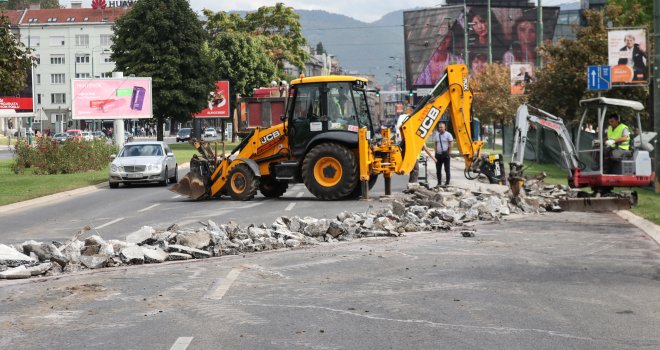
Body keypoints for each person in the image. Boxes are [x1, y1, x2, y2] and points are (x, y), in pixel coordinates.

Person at [427, 122, 454, 186]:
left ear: (445, 127)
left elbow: (451, 144)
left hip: (445, 154)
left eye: (442, 127)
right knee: (438, 170)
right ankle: (439, 183)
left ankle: (447, 183)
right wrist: (435, 153)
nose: (440, 128)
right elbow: (435, 144)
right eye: (439, 127)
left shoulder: (448, 135)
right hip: (438, 155)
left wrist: (449, 153)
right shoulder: (437, 135)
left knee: (447, 169)